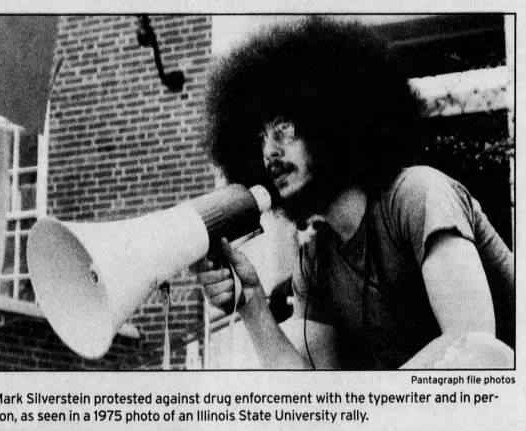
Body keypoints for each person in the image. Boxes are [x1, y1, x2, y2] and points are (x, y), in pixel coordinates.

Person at [197, 17, 514, 369]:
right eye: (260, 139)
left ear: (332, 121)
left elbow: (472, 345)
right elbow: (311, 392)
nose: (269, 153)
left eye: (282, 128)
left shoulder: (418, 194)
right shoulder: (315, 260)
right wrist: (251, 300)